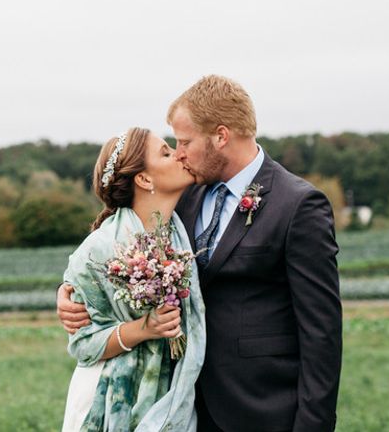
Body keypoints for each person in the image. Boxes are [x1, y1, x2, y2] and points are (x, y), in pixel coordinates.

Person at [59, 76, 342, 432]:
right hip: (184, 406)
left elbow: (322, 332)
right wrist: (69, 293)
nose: (179, 153)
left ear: (220, 136)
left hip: (261, 410)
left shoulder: (297, 204)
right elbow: (122, 242)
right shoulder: (184, 198)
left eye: (185, 141)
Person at [61, 126, 207, 432]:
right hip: (109, 400)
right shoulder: (100, 249)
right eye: (166, 153)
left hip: (171, 398)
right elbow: (83, 345)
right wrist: (144, 328)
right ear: (144, 179)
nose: (179, 155)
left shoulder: (183, 235)